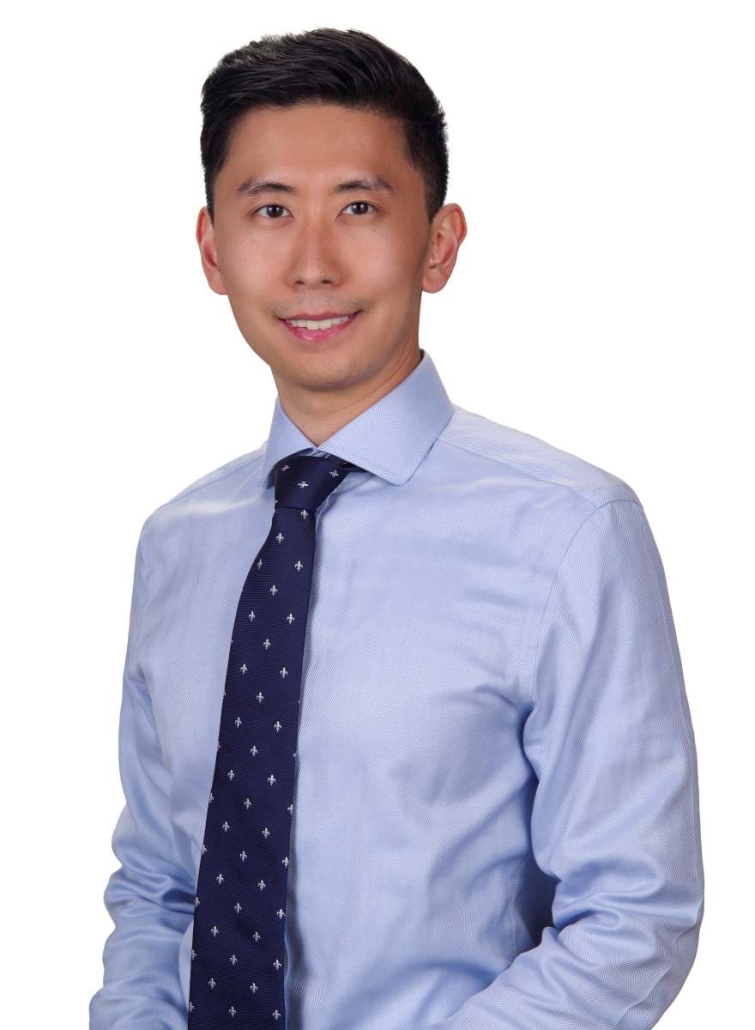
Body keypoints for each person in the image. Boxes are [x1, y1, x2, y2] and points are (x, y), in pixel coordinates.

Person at [89, 26, 704, 1030]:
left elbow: (632, 914)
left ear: (438, 242)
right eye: (271, 210)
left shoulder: (568, 529)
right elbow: (161, 882)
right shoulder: (180, 541)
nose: (313, 262)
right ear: (211, 248)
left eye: (360, 208)